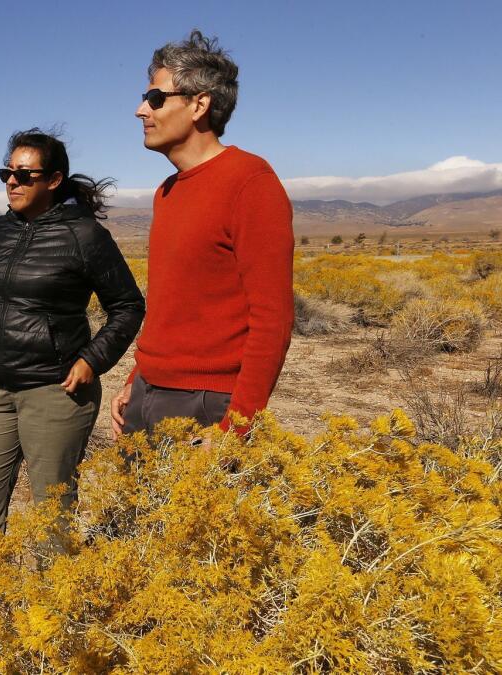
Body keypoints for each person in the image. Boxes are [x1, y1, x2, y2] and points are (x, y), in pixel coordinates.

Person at [0, 128, 145, 533]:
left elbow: (127, 306)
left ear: (54, 180)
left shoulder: (84, 235)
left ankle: (52, 592)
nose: (11, 181)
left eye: (24, 175)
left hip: (54, 392)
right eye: (7, 172)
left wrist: (92, 360)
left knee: (51, 512)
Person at [111, 31, 294, 438]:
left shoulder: (250, 181)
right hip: (147, 393)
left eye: (156, 98)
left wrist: (237, 427)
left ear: (199, 104)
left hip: (207, 404)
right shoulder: (167, 191)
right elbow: (172, 307)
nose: (141, 110)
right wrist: (135, 379)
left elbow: (273, 318)